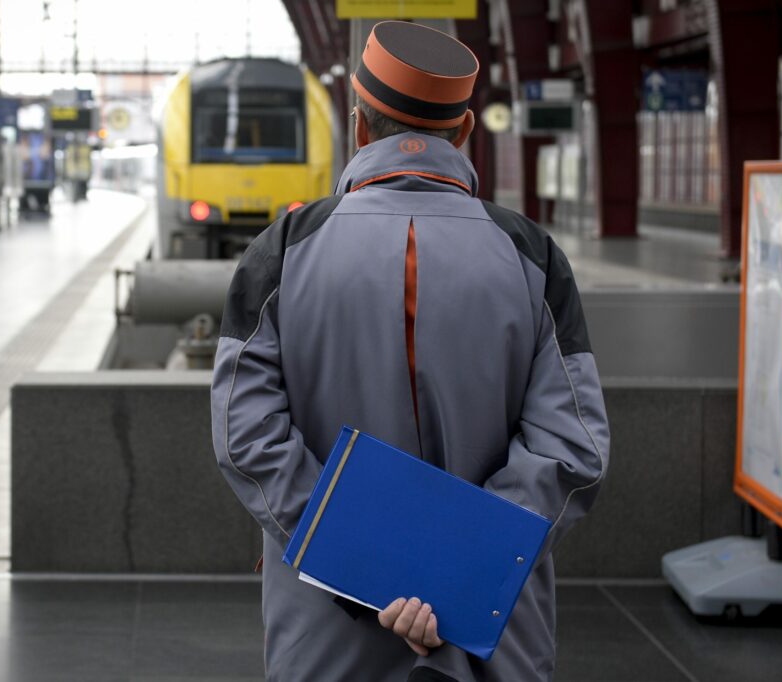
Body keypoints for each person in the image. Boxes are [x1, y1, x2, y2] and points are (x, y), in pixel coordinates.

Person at [211, 20, 609, 681]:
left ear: (358, 125)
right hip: (492, 632)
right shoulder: (533, 257)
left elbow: (243, 436)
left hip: (325, 634)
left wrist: (360, 568)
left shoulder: (279, 254)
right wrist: (456, 581)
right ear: (466, 130)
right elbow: (574, 448)